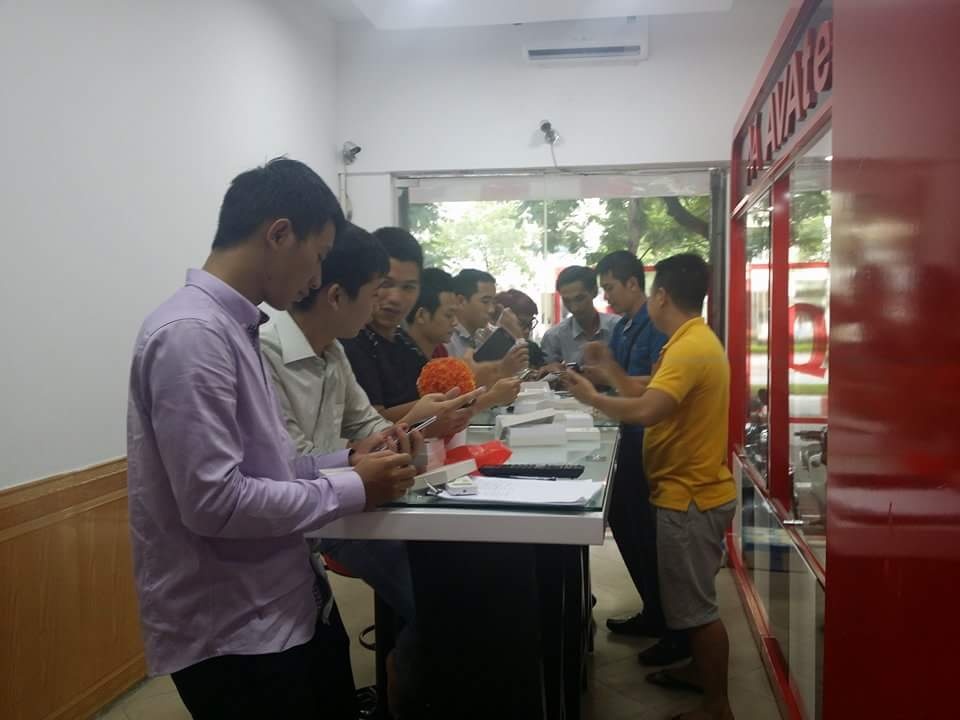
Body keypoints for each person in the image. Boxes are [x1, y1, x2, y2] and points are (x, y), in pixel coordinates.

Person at [127, 158, 419, 719]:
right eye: (319, 254)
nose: (318, 276)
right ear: (279, 234)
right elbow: (215, 502)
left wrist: (347, 459)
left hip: (285, 601)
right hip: (234, 627)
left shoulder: (235, 327)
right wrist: (354, 487)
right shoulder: (192, 335)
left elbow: (270, 467)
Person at [260, 225, 481, 626]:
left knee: (459, 566)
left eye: (405, 287)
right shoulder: (265, 355)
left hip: (350, 503)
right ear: (336, 296)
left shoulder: (333, 352)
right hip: (316, 519)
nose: (387, 301)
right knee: (441, 605)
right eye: (377, 290)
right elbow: (292, 467)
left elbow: (370, 426)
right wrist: (392, 439)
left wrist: (403, 437)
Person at [564, 254, 737, 720]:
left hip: (690, 495)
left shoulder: (689, 347)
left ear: (660, 296)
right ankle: (698, 672)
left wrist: (593, 397)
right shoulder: (688, 341)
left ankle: (717, 707)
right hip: (686, 491)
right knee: (690, 605)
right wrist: (609, 373)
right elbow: (647, 390)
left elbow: (646, 411)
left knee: (697, 612)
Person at [591, 250, 691, 666]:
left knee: (648, 537)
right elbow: (621, 380)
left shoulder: (660, 328)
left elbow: (652, 386)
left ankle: (669, 623)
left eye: (610, 287)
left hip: (648, 442)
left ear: (635, 283)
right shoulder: (624, 327)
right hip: (626, 439)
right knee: (627, 527)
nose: (606, 297)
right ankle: (653, 608)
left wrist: (600, 388)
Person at [342, 228, 477, 435]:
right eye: (386, 283)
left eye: (408, 287)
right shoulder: (351, 342)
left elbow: (432, 398)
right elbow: (369, 423)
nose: (396, 298)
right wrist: (433, 411)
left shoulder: (405, 342)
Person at [406, 268, 521, 411]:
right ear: (421, 316)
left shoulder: (440, 349)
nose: (491, 310)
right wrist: (486, 389)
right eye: (448, 315)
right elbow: (444, 410)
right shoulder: (403, 355)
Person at [446, 269, 529, 377]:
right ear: (461, 301)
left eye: (493, 302)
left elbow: (521, 370)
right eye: (485, 302)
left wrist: (516, 334)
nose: (491, 310)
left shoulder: (484, 335)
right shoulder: (446, 339)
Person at [540, 265, 619, 366]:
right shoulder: (553, 338)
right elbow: (548, 372)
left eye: (579, 299)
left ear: (594, 292)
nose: (574, 308)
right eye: (567, 301)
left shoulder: (618, 327)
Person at [494, 289, 547, 368]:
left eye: (530, 324)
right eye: (522, 324)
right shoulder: (489, 350)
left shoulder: (532, 348)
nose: (527, 331)